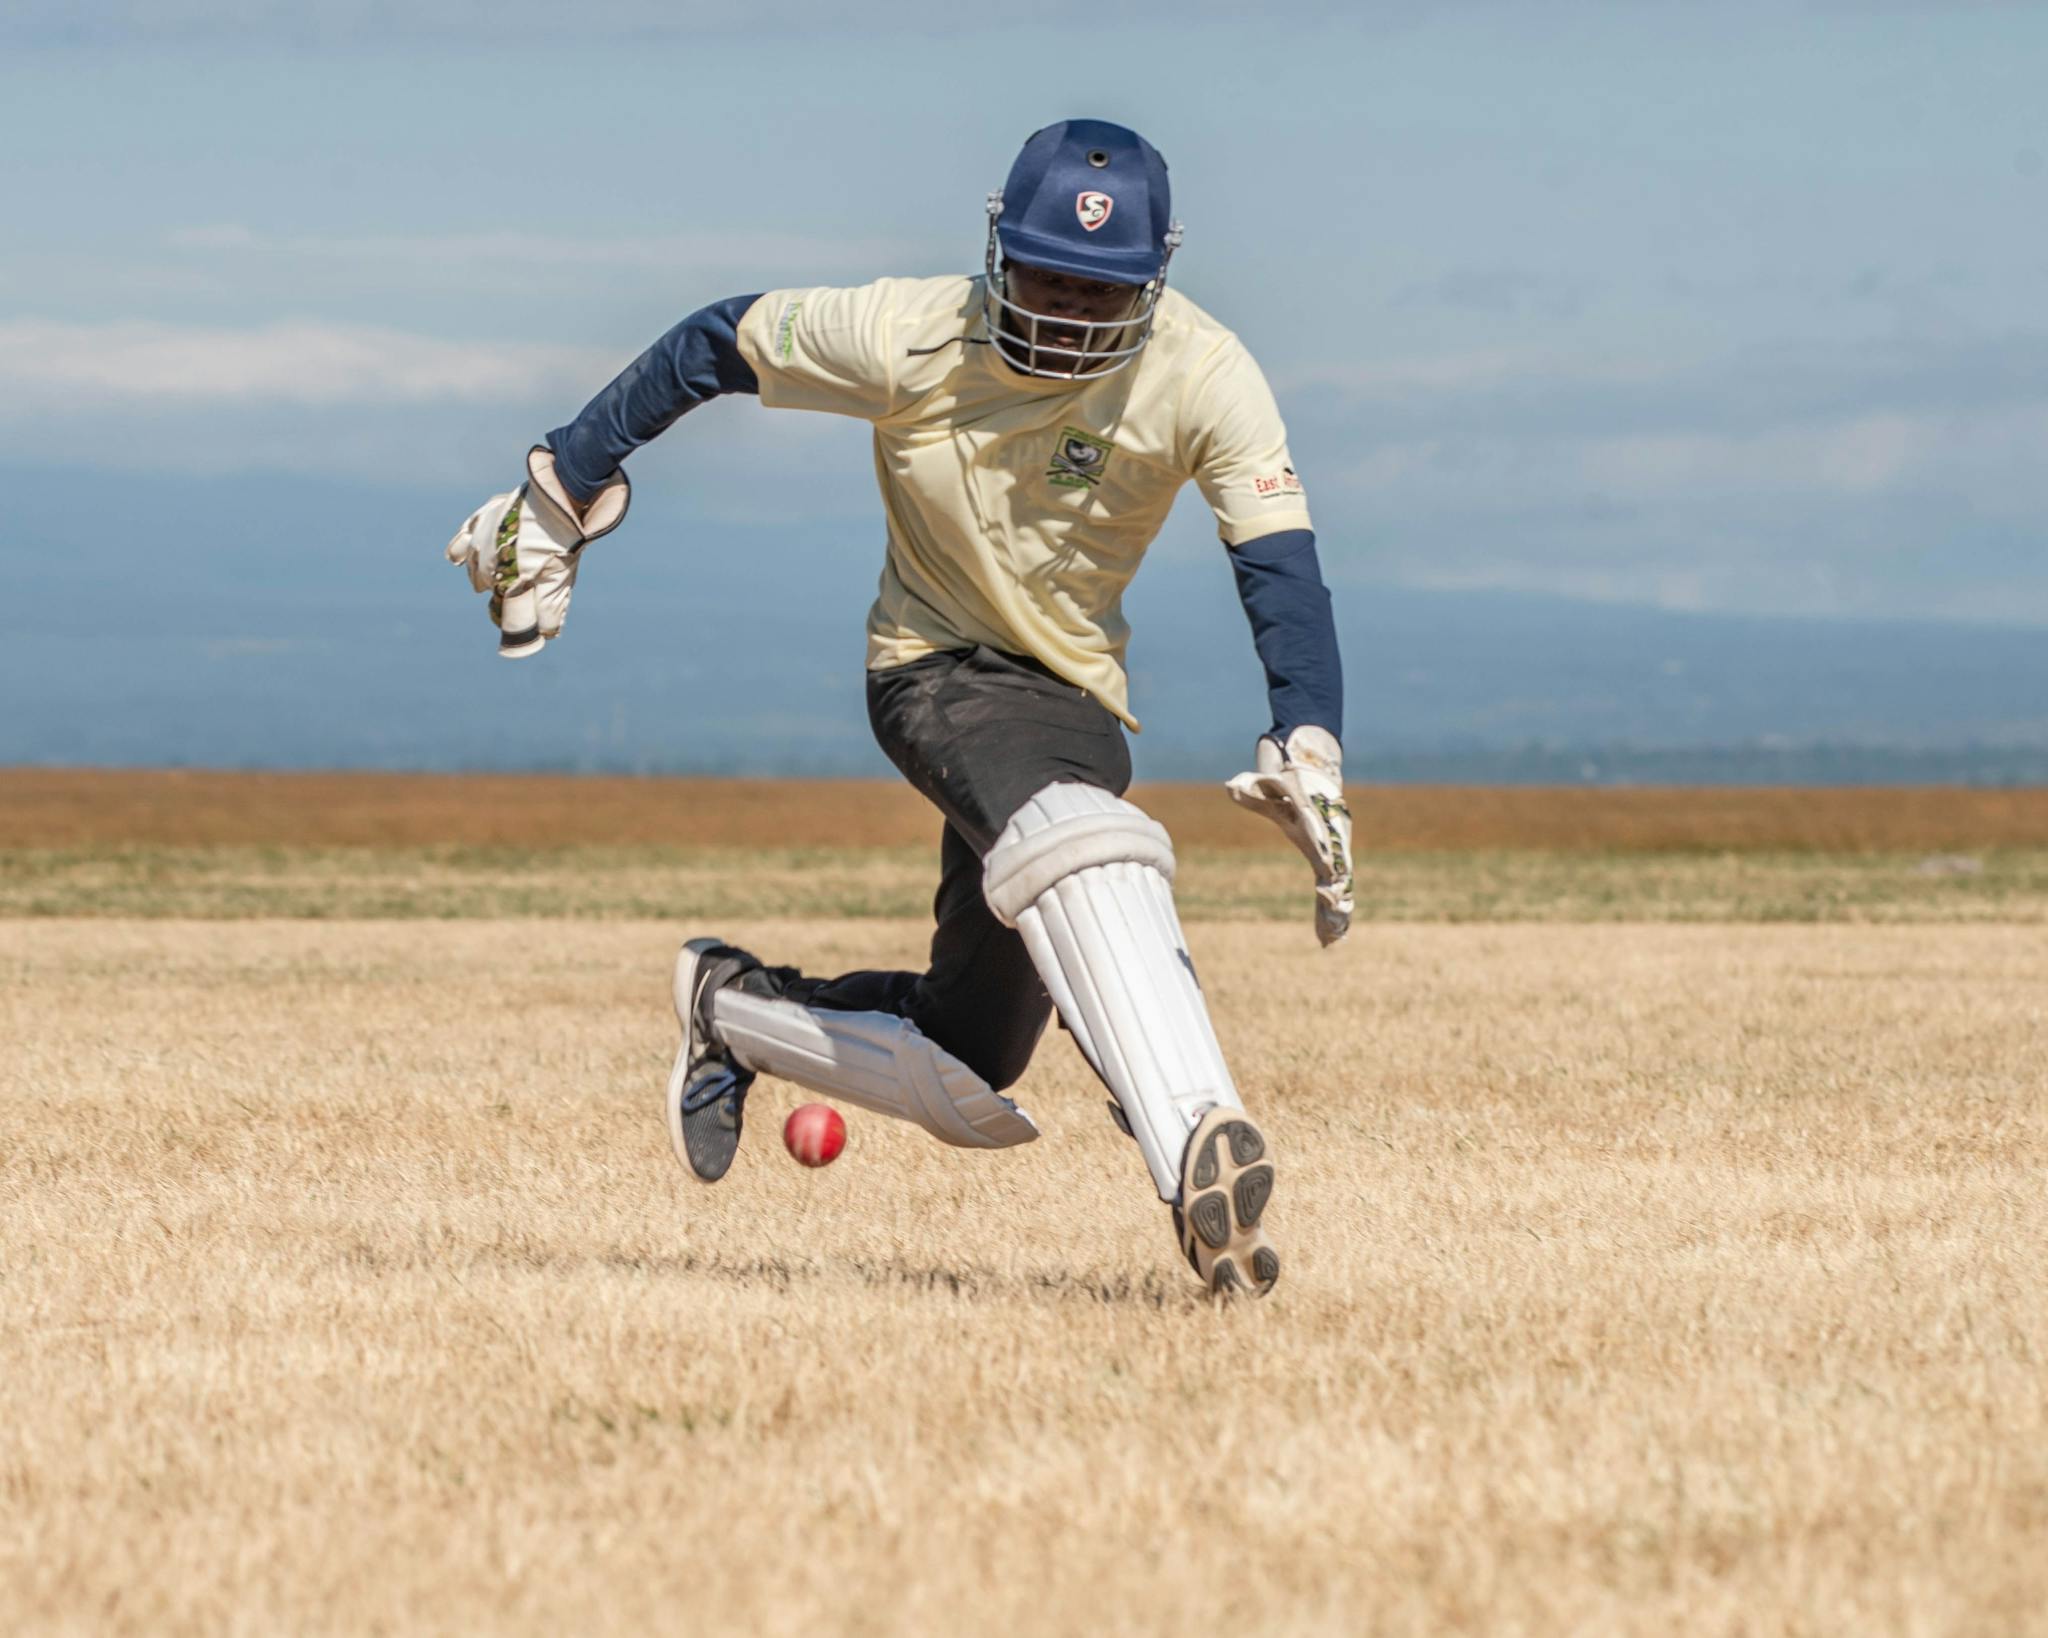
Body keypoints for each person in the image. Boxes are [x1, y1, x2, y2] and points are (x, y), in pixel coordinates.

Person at [445, 119, 1352, 1297]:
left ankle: (732, 1010)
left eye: (1102, 289)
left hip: (1070, 699)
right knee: (1086, 851)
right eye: (1046, 277)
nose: (1071, 310)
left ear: (1153, 282)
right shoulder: (909, 333)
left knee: (968, 1061)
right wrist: (563, 482)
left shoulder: (1205, 370)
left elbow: (1277, 564)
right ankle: (1197, 1153)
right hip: (929, 670)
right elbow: (714, 340)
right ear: (996, 256)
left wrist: (1310, 738)